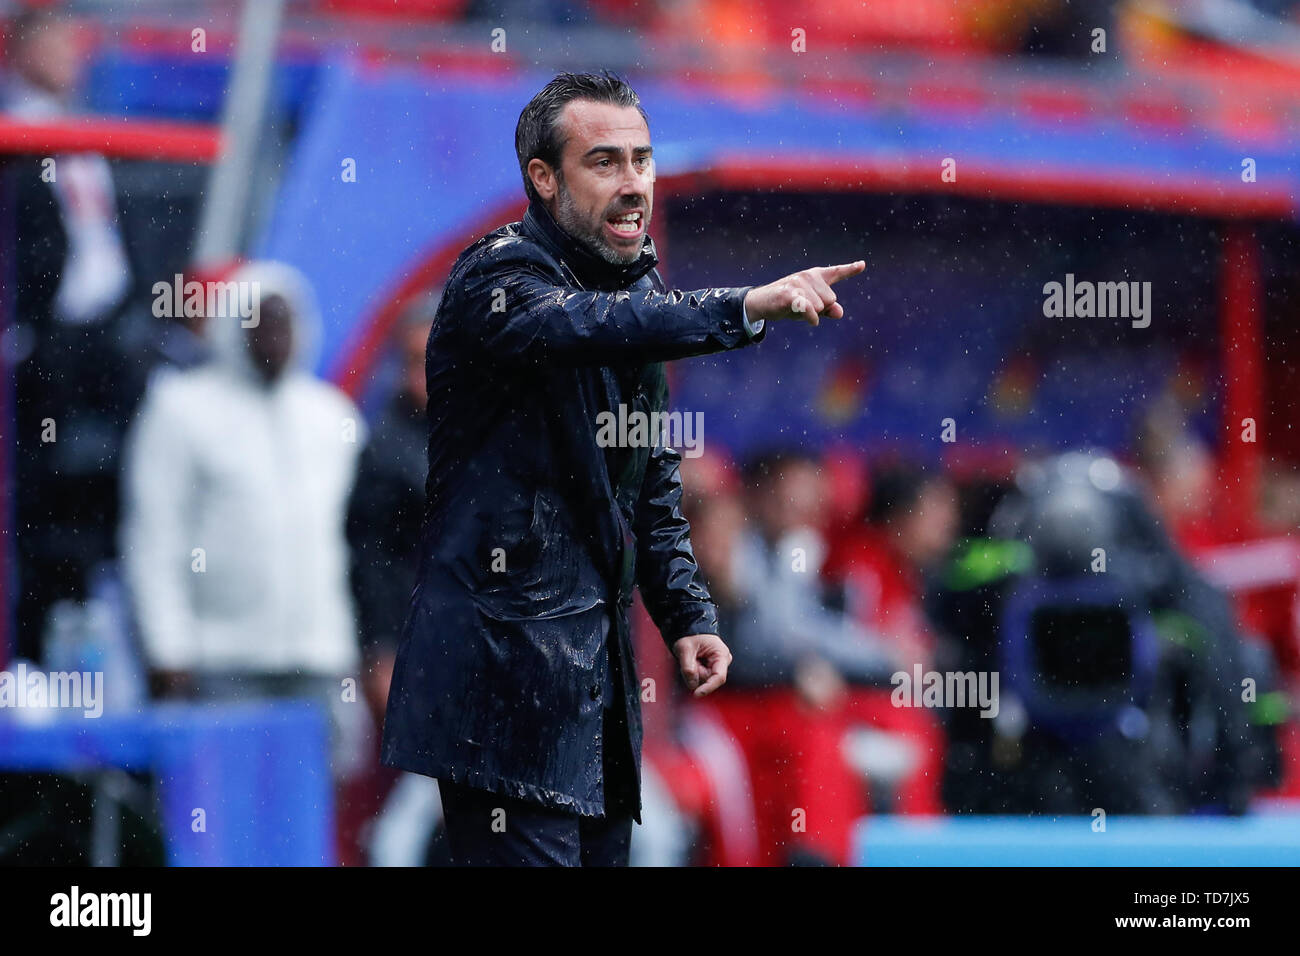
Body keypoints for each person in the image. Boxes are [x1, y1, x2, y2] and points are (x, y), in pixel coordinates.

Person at [380, 70, 867, 866]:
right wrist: (743, 306)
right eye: (605, 162)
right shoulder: (495, 277)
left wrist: (686, 615)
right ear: (543, 178)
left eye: (642, 160)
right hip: (500, 679)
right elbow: (581, 327)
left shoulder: (637, 288)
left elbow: (650, 482)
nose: (634, 182)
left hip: (596, 681)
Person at [119, 261, 371, 783]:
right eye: (260, 322)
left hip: (316, 657)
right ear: (234, 324)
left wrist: (359, 647)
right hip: (221, 659)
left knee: (305, 811)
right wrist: (167, 646)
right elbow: (154, 538)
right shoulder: (182, 410)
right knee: (225, 810)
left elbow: (362, 542)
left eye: (284, 323)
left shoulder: (332, 418)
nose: (274, 336)